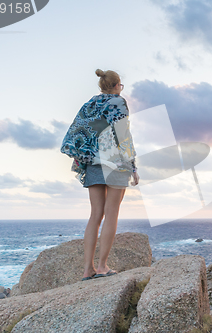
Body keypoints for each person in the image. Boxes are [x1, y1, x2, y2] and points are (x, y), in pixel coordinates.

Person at [60, 69, 139, 281]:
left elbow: (77, 130)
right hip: (115, 163)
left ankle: (88, 270)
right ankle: (102, 266)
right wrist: (133, 165)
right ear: (116, 85)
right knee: (111, 212)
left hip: (93, 163)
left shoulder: (89, 105)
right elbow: (123, 134)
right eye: (120, 86)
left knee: (95, 215)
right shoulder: (118, 102)